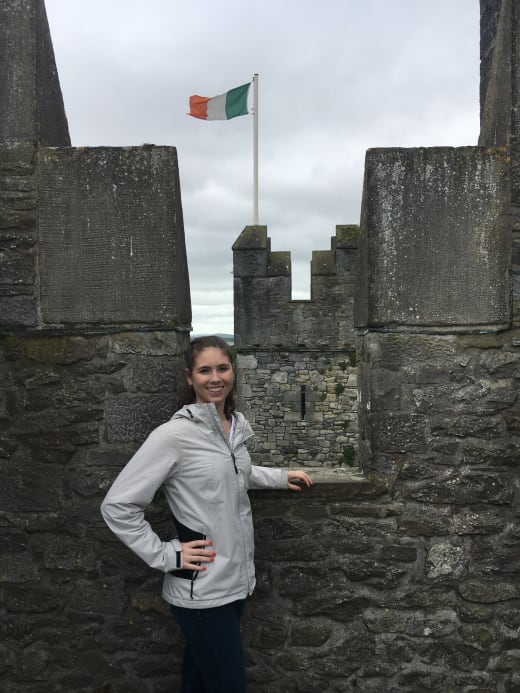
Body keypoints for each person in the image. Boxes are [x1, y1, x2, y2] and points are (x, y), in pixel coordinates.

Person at [100, 335, 313, 692]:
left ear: (233, 371)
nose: (215, 378)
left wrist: (278, 477)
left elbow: (233, 472)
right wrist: (168, 554)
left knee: (198, 681)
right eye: (205, 370)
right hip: (202, 593)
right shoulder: (174, 436)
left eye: (222, 368)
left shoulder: (232, 428)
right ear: (190, 377)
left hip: (234, 584)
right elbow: (118, 505)